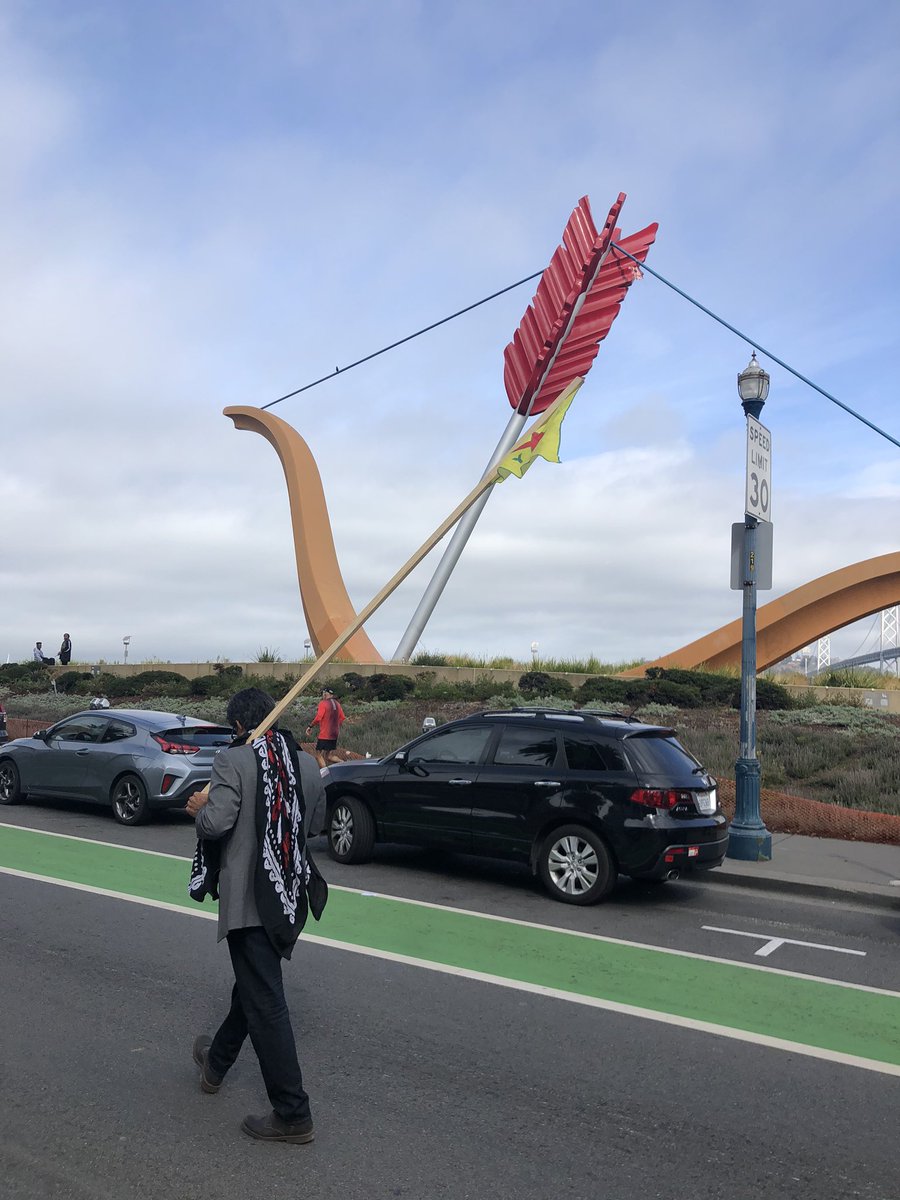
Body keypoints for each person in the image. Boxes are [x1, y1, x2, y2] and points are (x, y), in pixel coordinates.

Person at [185, 687, 327, 1145]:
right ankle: (217, 1063)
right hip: (286, 894)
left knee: (265, 1000)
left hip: (249, 900)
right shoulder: (305, 762)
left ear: (239, 727)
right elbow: (315, 824)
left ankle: (292, 1111)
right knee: (252, 988)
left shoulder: (234, 760)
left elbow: (217, 823)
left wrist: (198, 809)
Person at [305, 686, 346, 752]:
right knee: (328, 756)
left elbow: (318, 718)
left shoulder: (323, 703)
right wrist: (335, 727)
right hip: (334, 734)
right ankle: (343, 762)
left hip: (324, 735)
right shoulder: (337, 704)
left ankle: (344, 762)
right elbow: (342, 718)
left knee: (318, 754)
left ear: (325, 694)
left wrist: (310, 726)